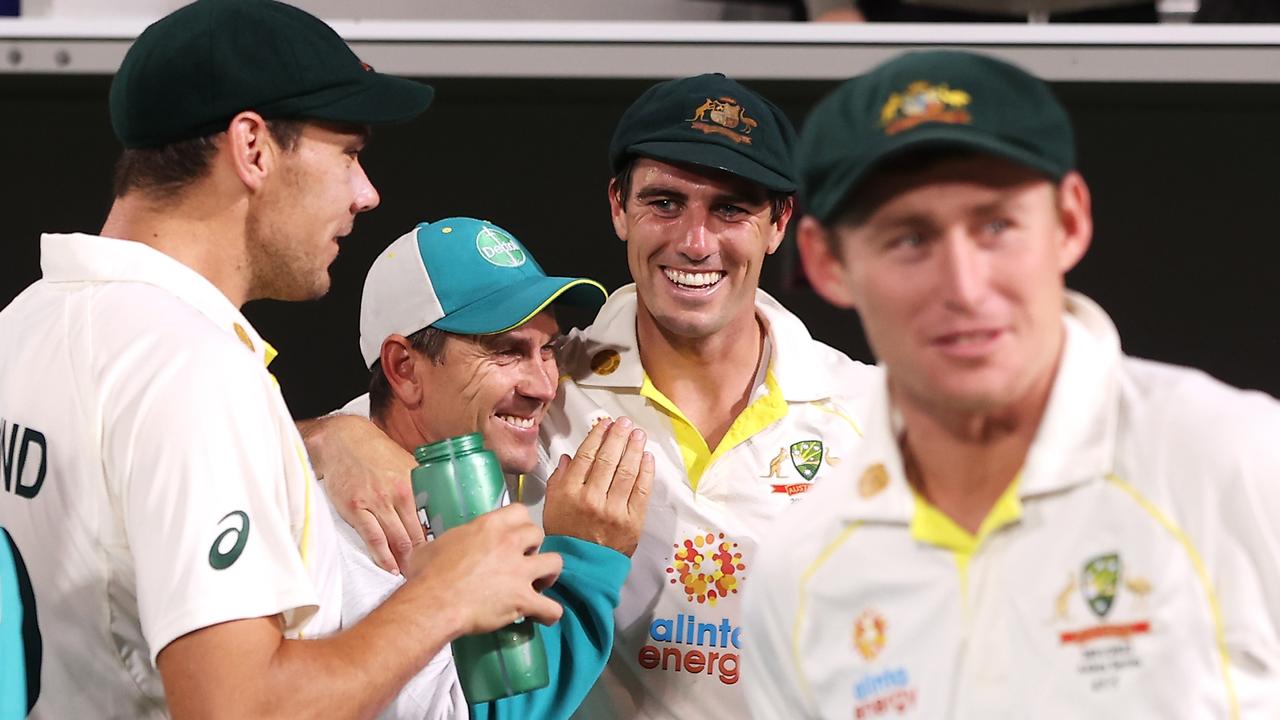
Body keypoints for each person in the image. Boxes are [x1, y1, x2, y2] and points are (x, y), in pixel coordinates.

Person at [0, 1, 565, 717]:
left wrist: (319, 437)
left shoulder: (28, 321)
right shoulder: (190, 369)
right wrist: (444, 594)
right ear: (254, 148)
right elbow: (239, 708)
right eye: (350, 153)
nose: (367, 194)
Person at [311, 72, 880, 719]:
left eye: (730, 208)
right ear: (618, 207)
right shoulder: (536, 391)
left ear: (778, 223)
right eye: (664, 203)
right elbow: (383, 425)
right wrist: (333, 437)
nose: (694, 242)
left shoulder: (875, 412)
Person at [744, 49, 1280, 718]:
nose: (965, 288)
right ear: (828, 263)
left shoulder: (1242, 460)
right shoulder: (799, 572)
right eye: (909, 239)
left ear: (1070, 222)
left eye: (996, 225)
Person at [316, 216, 654, 719]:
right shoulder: (349, 521)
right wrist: (586, 562)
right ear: (404, 369)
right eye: (505, 352)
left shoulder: (452, 458)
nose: (543, 385)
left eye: (548, 350)